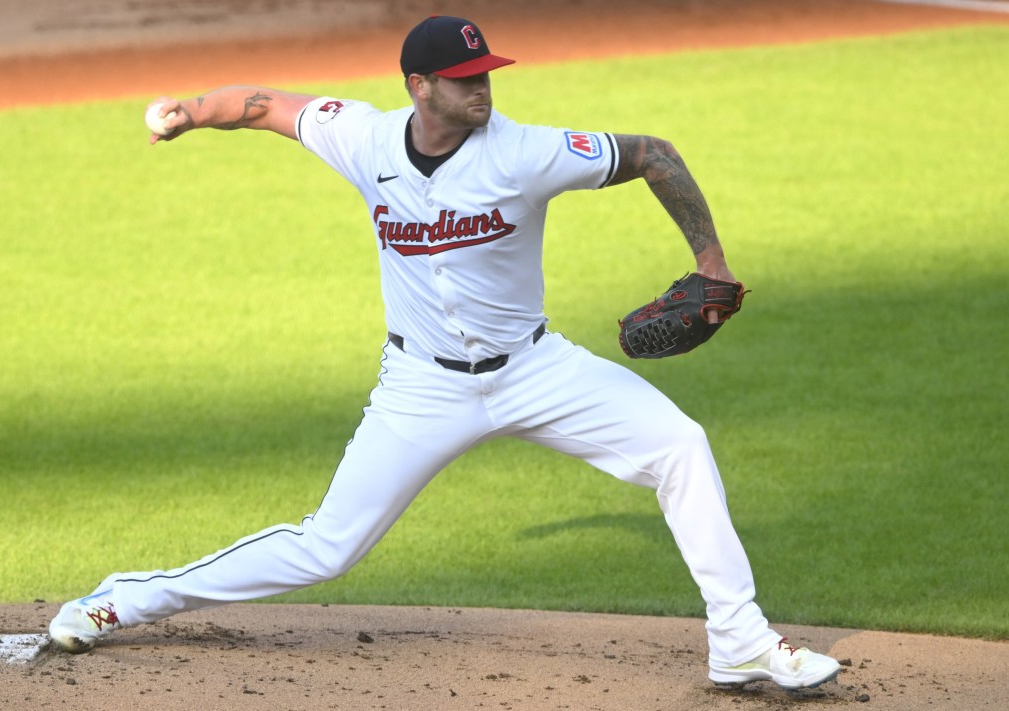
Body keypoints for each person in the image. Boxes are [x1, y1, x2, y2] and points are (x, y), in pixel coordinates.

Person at [49, 15, 840, 690]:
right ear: (419, 86)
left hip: (537, 371)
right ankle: (124, 597)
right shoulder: (363, 138)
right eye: (465, 79)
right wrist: (187, 111)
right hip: (421, 388)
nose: (483, 91)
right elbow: (262, 106)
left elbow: (654, 154)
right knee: (329, 546)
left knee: (680, 446)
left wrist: (712, 263)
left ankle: (739, 642)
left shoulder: (526, 151)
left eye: (487, 75)